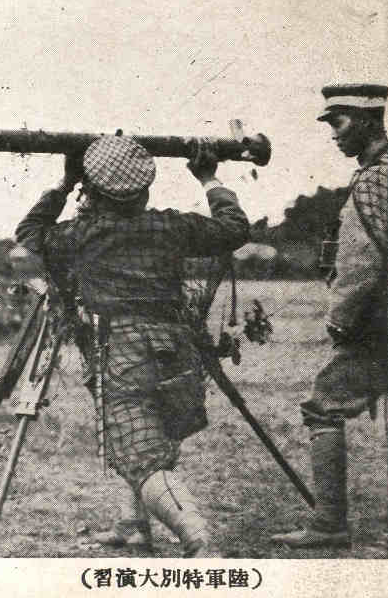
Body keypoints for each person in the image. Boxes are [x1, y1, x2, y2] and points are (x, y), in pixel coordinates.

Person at [16, 136, 249, 557]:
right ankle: (134, 525)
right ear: (144, 190)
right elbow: (234, 229)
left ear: (92, 191)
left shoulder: (81, 234)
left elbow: (29, 234)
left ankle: (199, 540)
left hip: (120, 349)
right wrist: (209, 178)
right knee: (143, 436)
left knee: (141, 452)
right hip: (175, 346)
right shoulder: (172, 226)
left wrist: (64, 184)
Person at [272, 84, 388, 549]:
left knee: (323, 406)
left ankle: (328, 523)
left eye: (339, 122)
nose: (334, 134)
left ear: (367, 120)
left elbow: (362, 263)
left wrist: (340, 319)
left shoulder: (373, 180)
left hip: (378, 324)